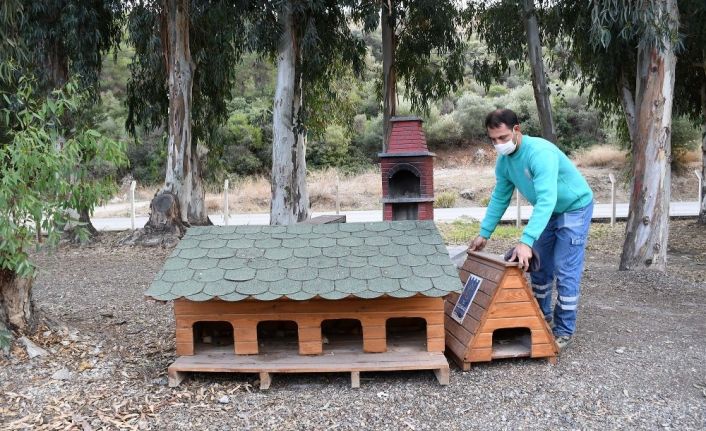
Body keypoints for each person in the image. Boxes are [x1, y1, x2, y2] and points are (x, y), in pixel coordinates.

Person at [469, 109, 594, 350]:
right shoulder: (504, 162)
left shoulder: (540, 153)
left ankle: (563, 331)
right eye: (493, 140)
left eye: (503, 138)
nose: (498, 144)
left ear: (517, 130)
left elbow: (547, 198)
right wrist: (484, 233)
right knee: (538, 265)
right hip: (548, 212)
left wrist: (526, 241)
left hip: (574, 208)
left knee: (565, 268)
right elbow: (500, 197)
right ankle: (541, 317)